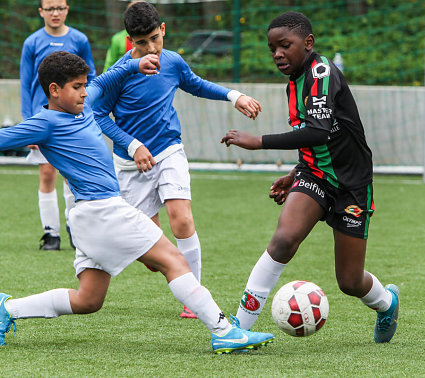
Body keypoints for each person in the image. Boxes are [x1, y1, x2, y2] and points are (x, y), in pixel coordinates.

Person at [0, 51, 274, 354]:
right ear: (54, 90)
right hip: (104, 211)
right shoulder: (45, 123)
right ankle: (223, 331)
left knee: (88, 300)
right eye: (77, 86)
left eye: (84, 85)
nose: (84, 91)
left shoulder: (85, 103)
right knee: (174, 260)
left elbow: (106, 79)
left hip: (89, 217)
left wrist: (134, 64)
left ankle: (7, 309)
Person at [221, 11, 400, 343]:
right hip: (315, 175)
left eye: (285, 46)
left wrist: (258, 142)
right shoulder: (295, 78)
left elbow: (317, 131)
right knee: (284, 240)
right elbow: (317, 136)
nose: (278, 54)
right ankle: (238, 329)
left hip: (352, 185)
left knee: (349, 281)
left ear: (308, 43)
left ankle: (387, 302)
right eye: (272, 48)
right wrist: (296, 173)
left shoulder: (321, 74)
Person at [92, 1, 262, 319]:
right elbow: (98, 114)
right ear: (130, 41)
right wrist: (132, 146)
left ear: (164, 30)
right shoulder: (118, 73)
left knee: (181, 218)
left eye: (155, 38)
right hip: (131, 165)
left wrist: (233, 95)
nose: (150, 48)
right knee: (152, 255)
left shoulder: (172, 61)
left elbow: (195, 84)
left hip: (169, 150)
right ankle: (174, 267)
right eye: (141, 43)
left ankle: (194, 299)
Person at [20, 0, 97, 250]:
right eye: (50, 8)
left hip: (70, 119)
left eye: (60, 8)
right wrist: (28, 124)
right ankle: (50, 233)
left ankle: (75, 229)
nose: (55, 13)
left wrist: (87, 112)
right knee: (46, 173)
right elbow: (25, 84)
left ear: (67, 9)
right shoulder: (31, 42)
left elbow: (91, 78)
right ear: (41, 11)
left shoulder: (80, 39)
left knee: (70, 174)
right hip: (41, 119)